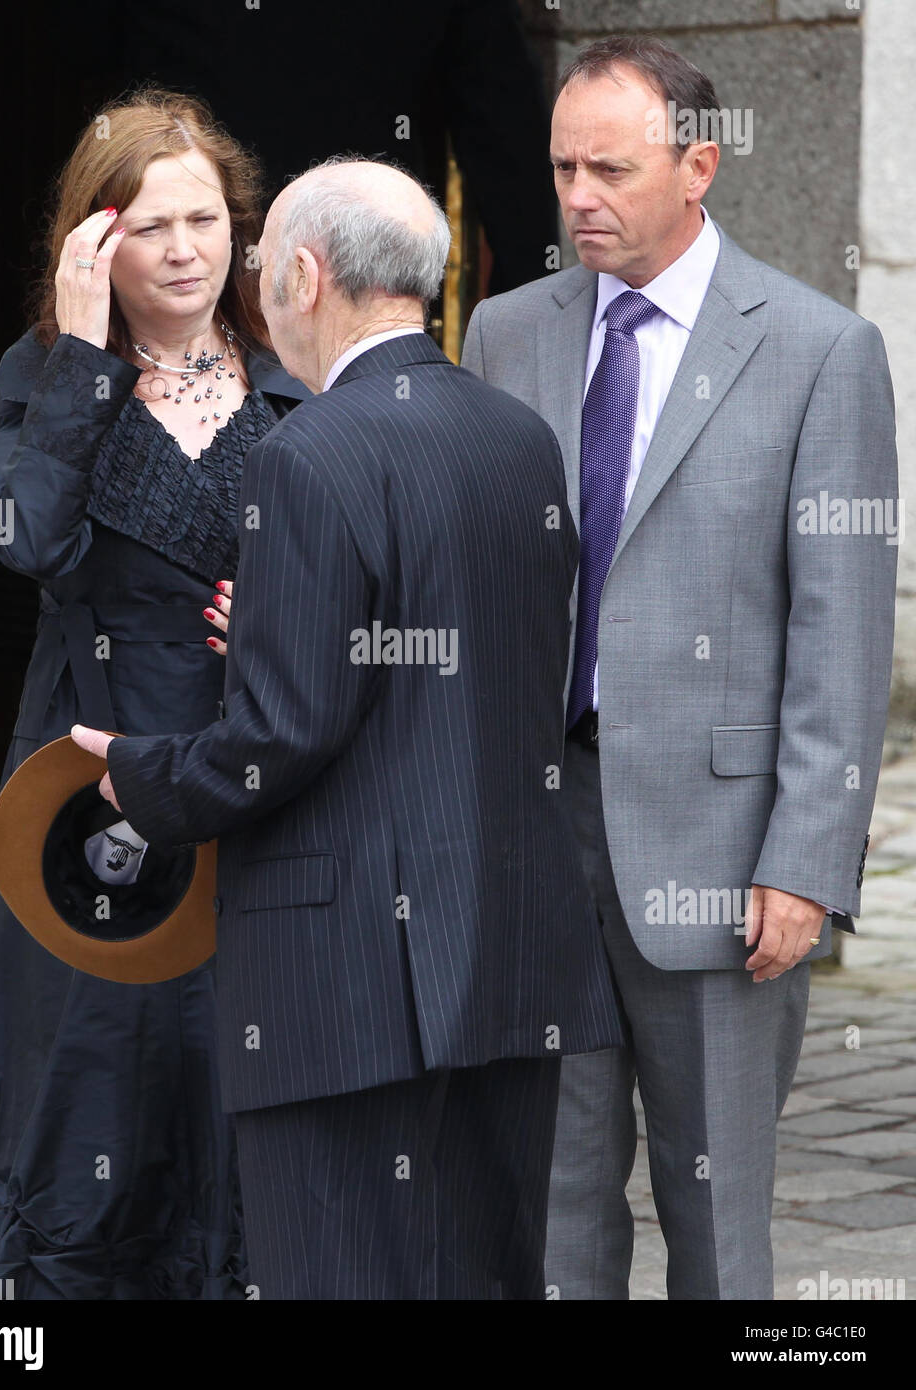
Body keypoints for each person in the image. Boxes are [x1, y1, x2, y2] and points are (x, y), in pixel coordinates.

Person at [72, 157, 625, 1300]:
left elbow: (285, 729)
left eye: (267, 262)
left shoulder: (308, 454)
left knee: (337, 1274)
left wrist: (141, 777)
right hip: (508, 949)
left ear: (309, 274)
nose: (261, 287)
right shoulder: (516, 438)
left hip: (344, 974)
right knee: (484, 1275)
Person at [461, 35, 898, 1299]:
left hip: (720, 849)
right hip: (540, 837)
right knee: (552, 1207)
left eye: (609, 167)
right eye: (560, 168)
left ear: (698, 166)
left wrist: (805, 863)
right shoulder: (505, 332)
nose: (577, 195)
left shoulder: (820, 351)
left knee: (716, 1225)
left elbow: (843, 628)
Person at [0, 88, 308, 1300]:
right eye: (151, 227)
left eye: (205, 219)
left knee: (217, 1052)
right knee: (87, 1057)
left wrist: (297, 625)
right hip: (81, 781)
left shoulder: (293, 374)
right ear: (95, 244)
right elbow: (28, 540)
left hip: (248, 772)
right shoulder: (42, 371)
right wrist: (84, 352)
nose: (186, 249)